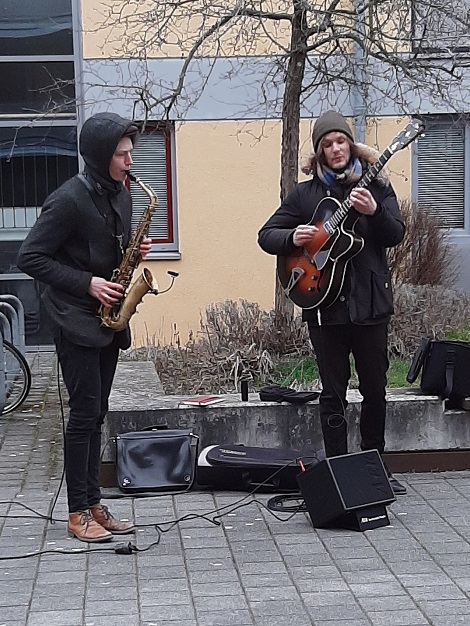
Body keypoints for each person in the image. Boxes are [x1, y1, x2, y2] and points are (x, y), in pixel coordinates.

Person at [17, 112, 153, 541]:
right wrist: (87, 283)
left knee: (98, 413)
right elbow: (30, 257)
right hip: (73, 318)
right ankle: (77, 513)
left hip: (107, 318)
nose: (130, 160)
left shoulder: (122, 194)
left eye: (130, 152)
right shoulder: (67, 200)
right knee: (83, 414)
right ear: (98, 155)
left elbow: (109, 249)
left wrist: (133, 252)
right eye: (122, 154)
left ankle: (94, 503)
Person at [258, 110, 407, 495]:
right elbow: (266, 235)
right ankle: (338, 467)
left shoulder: (377, 186)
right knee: (332, 393)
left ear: (351, 145)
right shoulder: (305, 194)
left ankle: (375, 464)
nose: (336, 148)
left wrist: (374, 212)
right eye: (328, 144)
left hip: (370, 305)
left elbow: (395, 235)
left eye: (341, 141)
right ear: (319, 152)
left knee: (375, 390)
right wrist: (292, 237)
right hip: (324, 307)